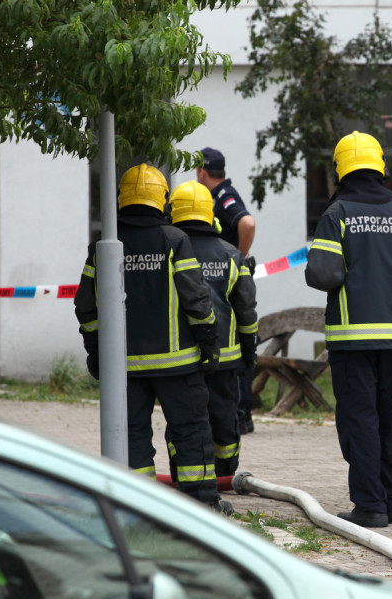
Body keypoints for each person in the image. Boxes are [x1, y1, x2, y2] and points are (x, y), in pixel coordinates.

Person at [74, 163, 232, 514]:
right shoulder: (175, 240)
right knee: (191, 432)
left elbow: (86, 305)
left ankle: (138, 508)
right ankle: (201, 504)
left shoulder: (103, 246)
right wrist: (209, 343)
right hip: (179, 365)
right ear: (161, 199)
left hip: (124, 366)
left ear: (122, 199)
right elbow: (196, 299)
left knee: (130, 437)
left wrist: (97, 351)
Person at [305, 130, 392, 529]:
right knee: (385, 418)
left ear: (341, 167)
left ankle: (369, 505)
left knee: (359, 421)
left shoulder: (337, 213)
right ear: (380, 166)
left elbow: (323, 274)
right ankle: (390, 502)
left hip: (350, 338)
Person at [168, 180, 259, 479]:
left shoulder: (170, 253)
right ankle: (224, 477)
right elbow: (246, 309)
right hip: (226, 358)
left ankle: (187, 476)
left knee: (184, 421)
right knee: (224, 419)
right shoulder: (231, 255)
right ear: (211, 214)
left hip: (182, 358)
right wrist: (249, 353)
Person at [196, 147, 258, 435]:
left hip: (227, 282)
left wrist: (240, 259)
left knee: (236, 341)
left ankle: (242, 413)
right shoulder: (215, 195)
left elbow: (247, 223)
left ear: (202, 172)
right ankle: (236, 411)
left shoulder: (223, 196)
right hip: (223, 280)